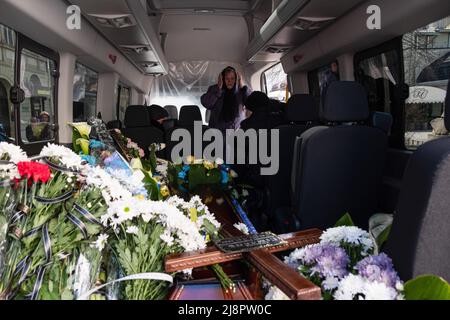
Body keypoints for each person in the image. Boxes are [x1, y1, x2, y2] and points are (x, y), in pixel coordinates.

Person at [201, 66, 251, 132]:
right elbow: (207, 104)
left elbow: (251, 104)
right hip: (217, 132)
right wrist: (218, 89)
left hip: (237, 132)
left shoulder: (241, 91)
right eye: (227, 79)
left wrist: (243, 87)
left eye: (232, 78)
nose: (229, 81)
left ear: (236, 79)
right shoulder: (214, 89)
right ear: (222, 79)